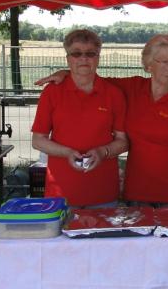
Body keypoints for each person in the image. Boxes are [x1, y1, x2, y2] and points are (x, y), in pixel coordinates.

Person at [35, 32, 168, 210]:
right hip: (137, 193)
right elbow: (86, 75)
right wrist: (65, 73)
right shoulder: (132, 88)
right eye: (164, 62)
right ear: (149, 64)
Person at [31, 29, 128, 208]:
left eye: (90, 53)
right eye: (76, 53)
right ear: (68, 58)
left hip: (103, 192)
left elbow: (122, 141)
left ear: (98, 58)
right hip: (61, 192)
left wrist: (102, 152)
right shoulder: (52, 92)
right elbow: (38, 141)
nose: (83, 58)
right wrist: (67, 153)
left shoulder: (114, 94)